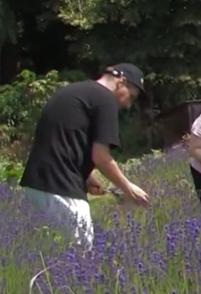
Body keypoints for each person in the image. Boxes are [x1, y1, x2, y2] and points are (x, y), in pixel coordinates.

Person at [19, 63, 150, 251]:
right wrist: (128, 188)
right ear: (121, 82)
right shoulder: (105, 99)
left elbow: (62, 139)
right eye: (132, 96)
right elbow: (101, 156)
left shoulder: (75, 92)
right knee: (78, 255)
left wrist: (86, 176)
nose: (128, 104)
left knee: (43, 252)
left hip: (36, 185)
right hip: (61, 188)